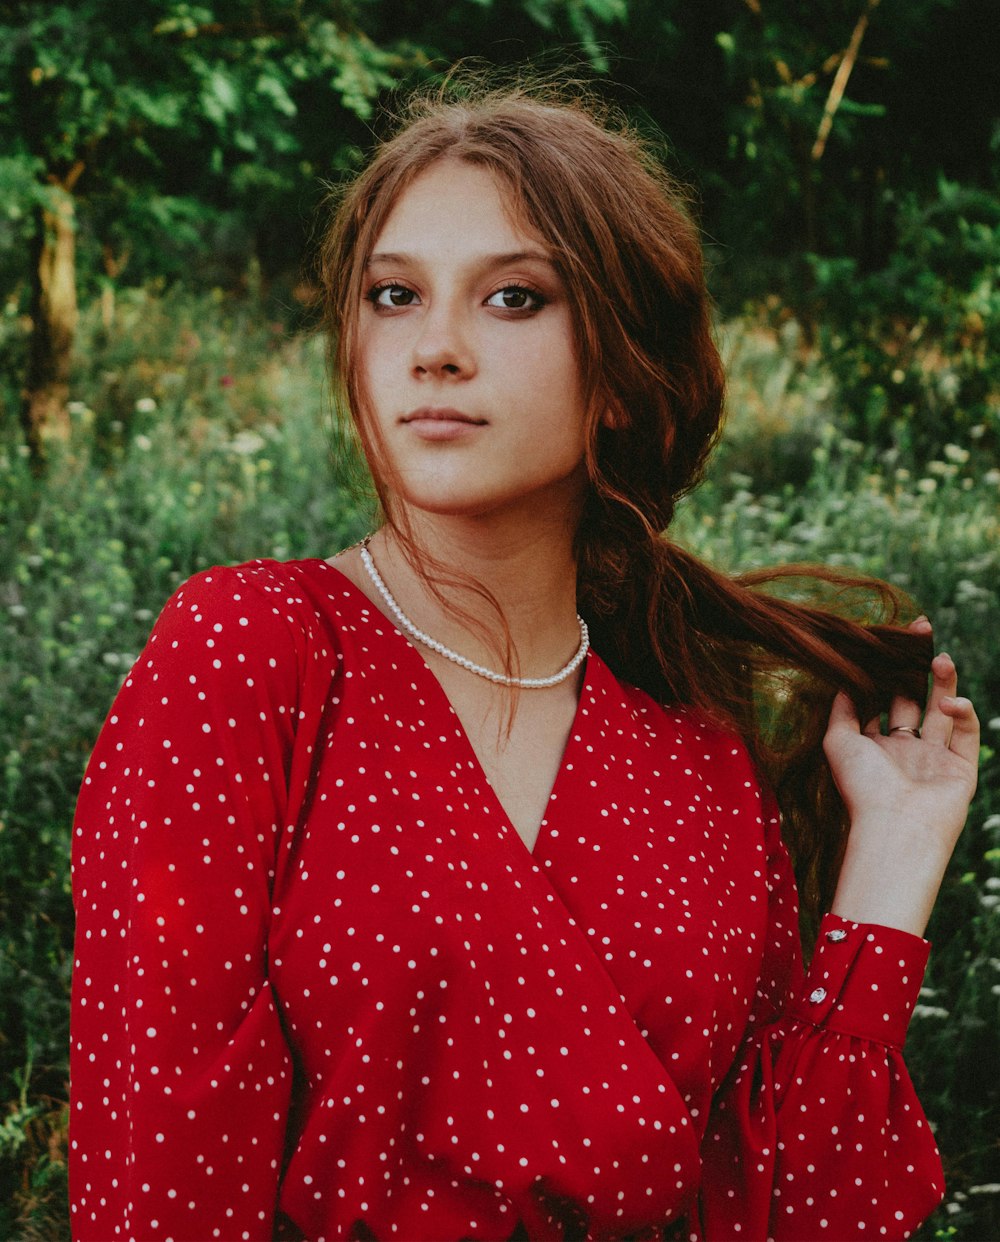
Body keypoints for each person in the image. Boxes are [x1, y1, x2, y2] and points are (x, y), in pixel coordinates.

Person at [69, 81, 980, 1242]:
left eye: (512, 297)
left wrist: (893, 862)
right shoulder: (254, 649)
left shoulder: (697, 768)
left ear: (618, 376)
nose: (435, 349)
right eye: (393, 295)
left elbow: (784, 1214)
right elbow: (156, 1154)